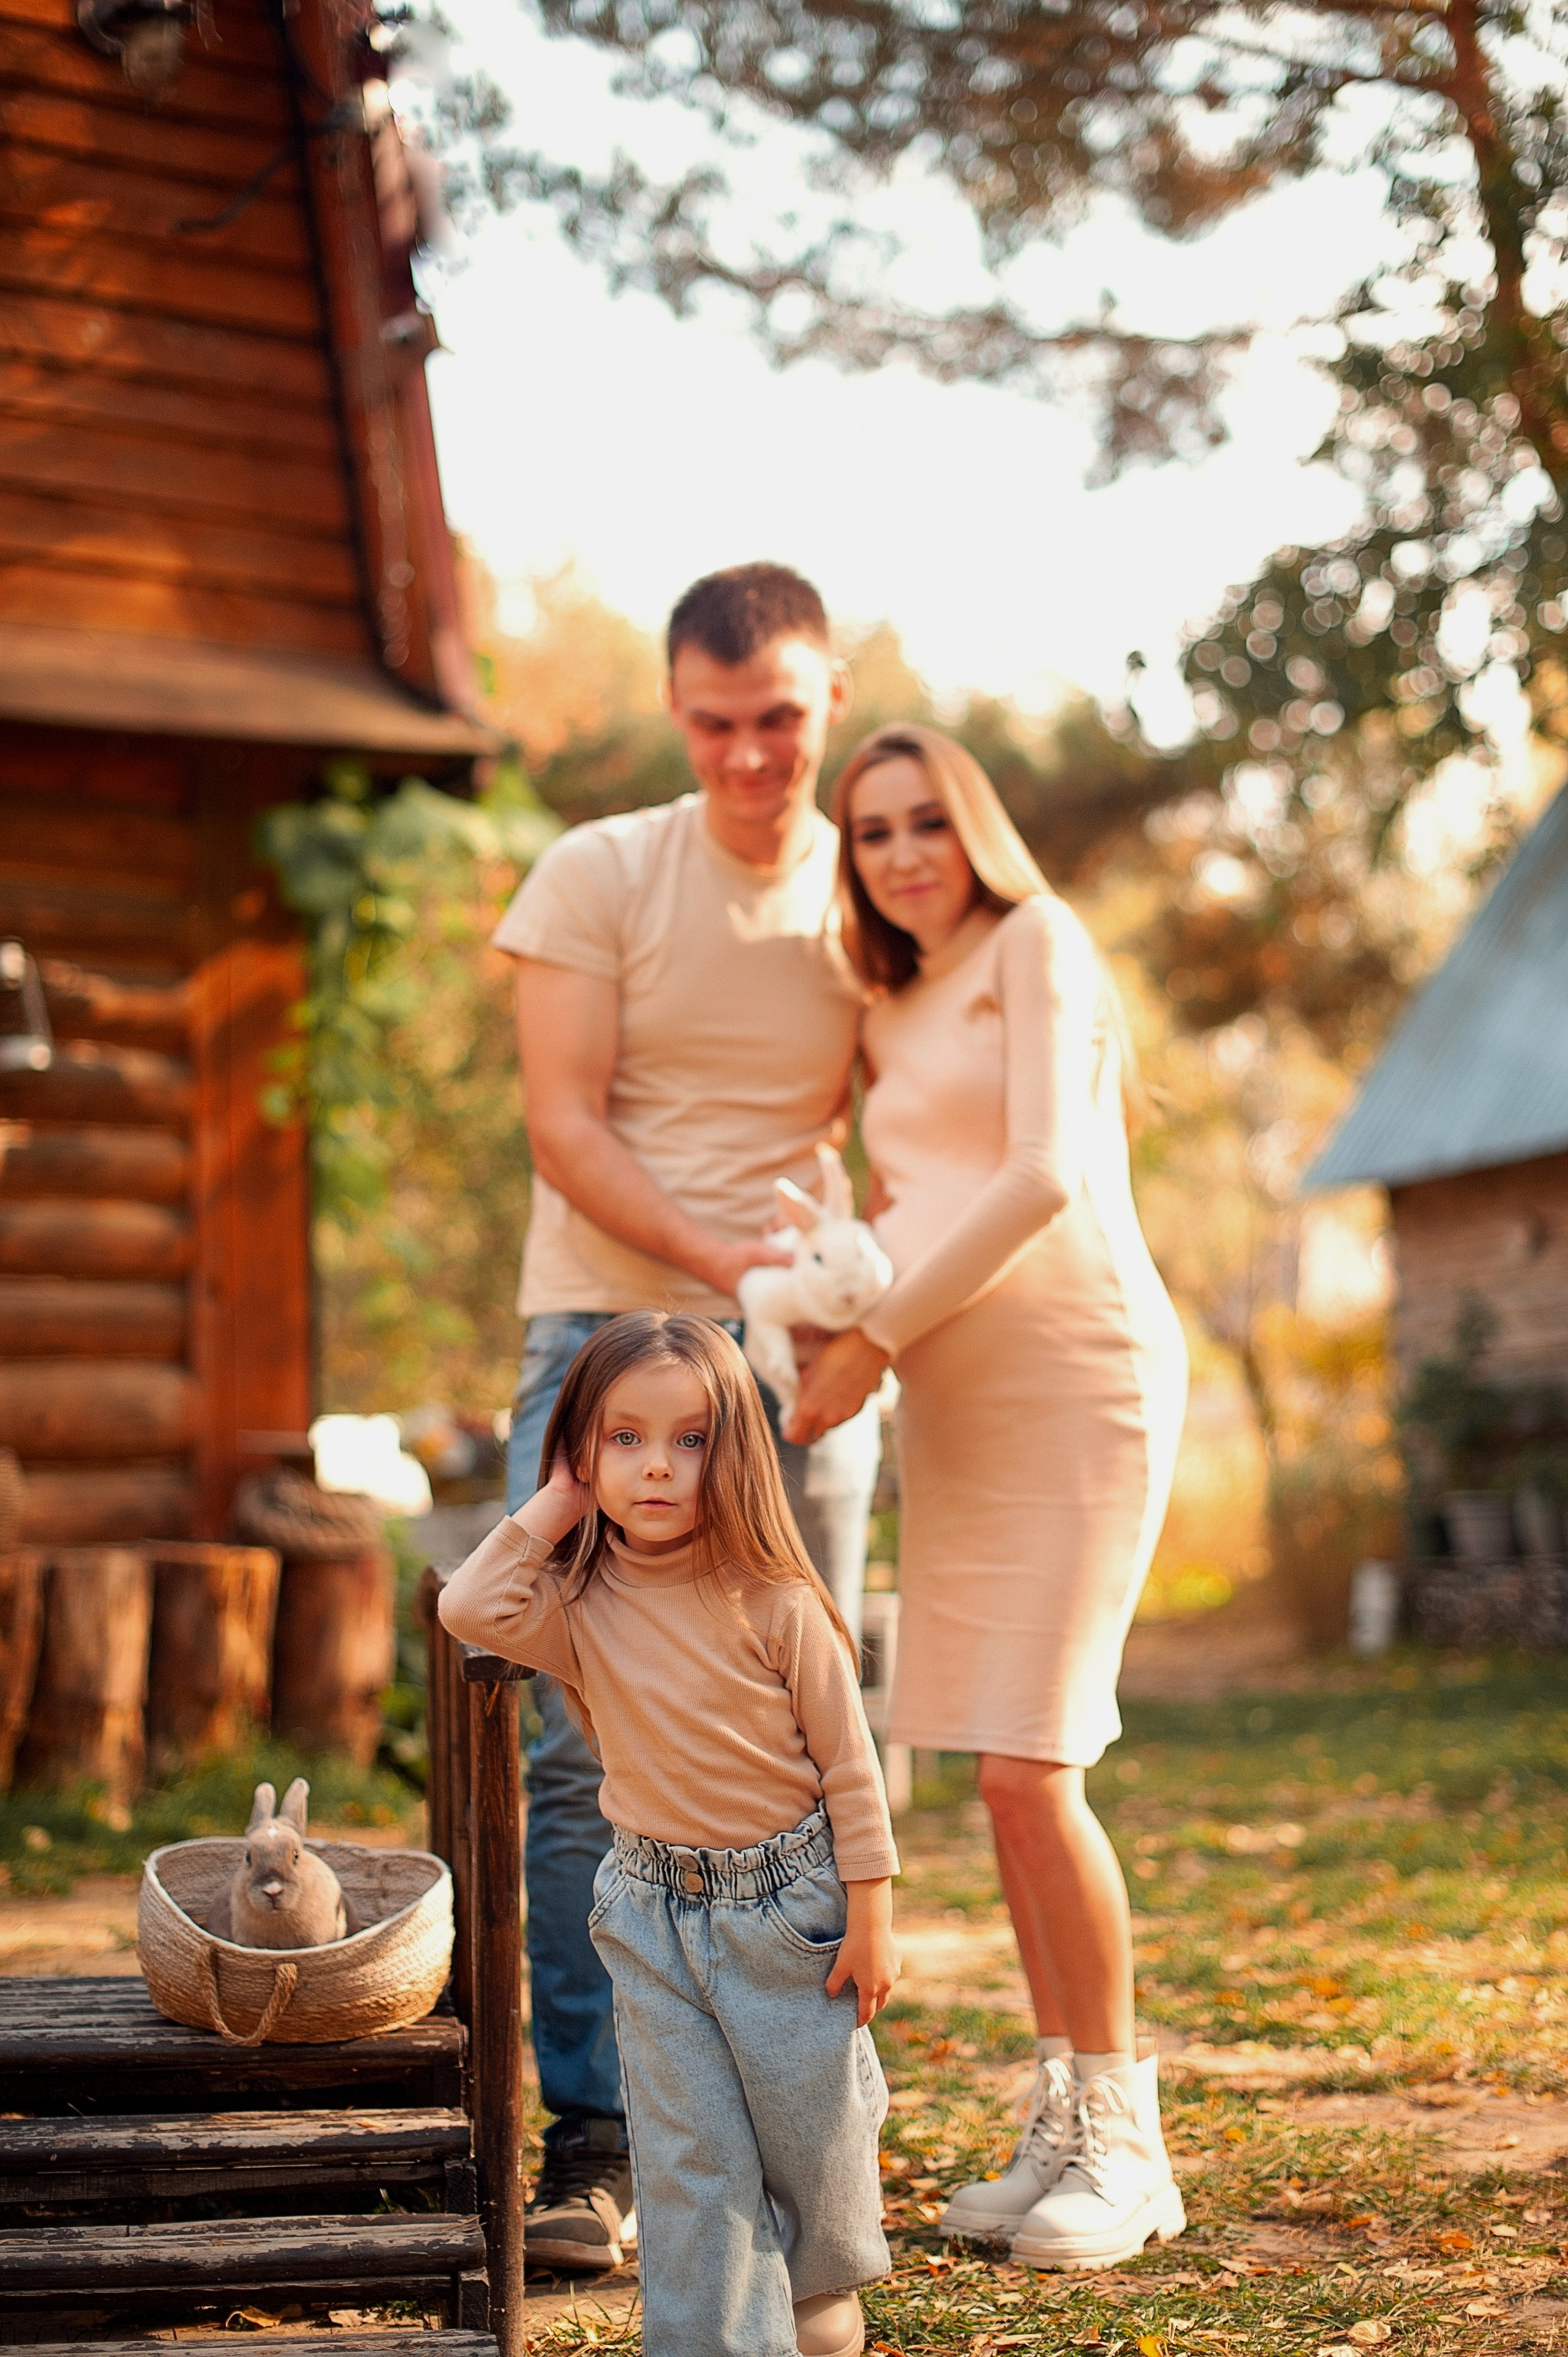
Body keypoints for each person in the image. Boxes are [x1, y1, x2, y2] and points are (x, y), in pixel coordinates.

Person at [488, 563, 883, 2269]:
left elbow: (923, 1132)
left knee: (818, 1728)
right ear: (678, 714)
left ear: (832, 699)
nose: (749, 758)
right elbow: (564, 1127)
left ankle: (812, 2112)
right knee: (583, 1745)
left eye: (780, 721)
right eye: (717, 725)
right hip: (605, 1333)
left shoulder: (874, 897)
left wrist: (869, 1324)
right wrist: (723, 1270)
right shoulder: (599, 871)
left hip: (801, 1352)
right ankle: (599, 2139)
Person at [785, 725, 1190, 2272]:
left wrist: (868, 1345)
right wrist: (833, 1291)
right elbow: (915, 1206)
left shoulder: (1038, 941)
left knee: (1037, 1763)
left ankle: (1126, 2150)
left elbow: (1032, 1177)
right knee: (996, 1779)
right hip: (951, 1405)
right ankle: (1062, 2117)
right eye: (871, 831)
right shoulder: (885, 1005)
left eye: (923, 822)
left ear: (973, 830)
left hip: (1077, 1384)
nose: (899, 853)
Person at [439, 1314, 898, 2357]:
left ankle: (821, 2284)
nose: (656, 1468)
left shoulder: (778, 1603)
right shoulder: (581, 1603)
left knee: (810, 2133)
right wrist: (557, 1501)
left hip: (790, 1914)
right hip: (648, 1910)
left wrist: (870, 1914)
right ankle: (715, 2338)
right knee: (689, 2154)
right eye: (624, 1440)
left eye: (690, 1440)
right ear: (584, 1451)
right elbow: (470, 1606)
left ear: (733, 1450)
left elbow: (851, 1772)